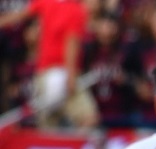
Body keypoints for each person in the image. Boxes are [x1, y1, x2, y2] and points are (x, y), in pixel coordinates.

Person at [0, 0, 99, 129]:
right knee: (89, 118)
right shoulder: (76, 10)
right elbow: (71, 43)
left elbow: (18, 15)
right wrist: (71, 75)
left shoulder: (47, 2)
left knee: (49, 124)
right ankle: (72, 147)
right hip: (61, 73)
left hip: (43, 74)